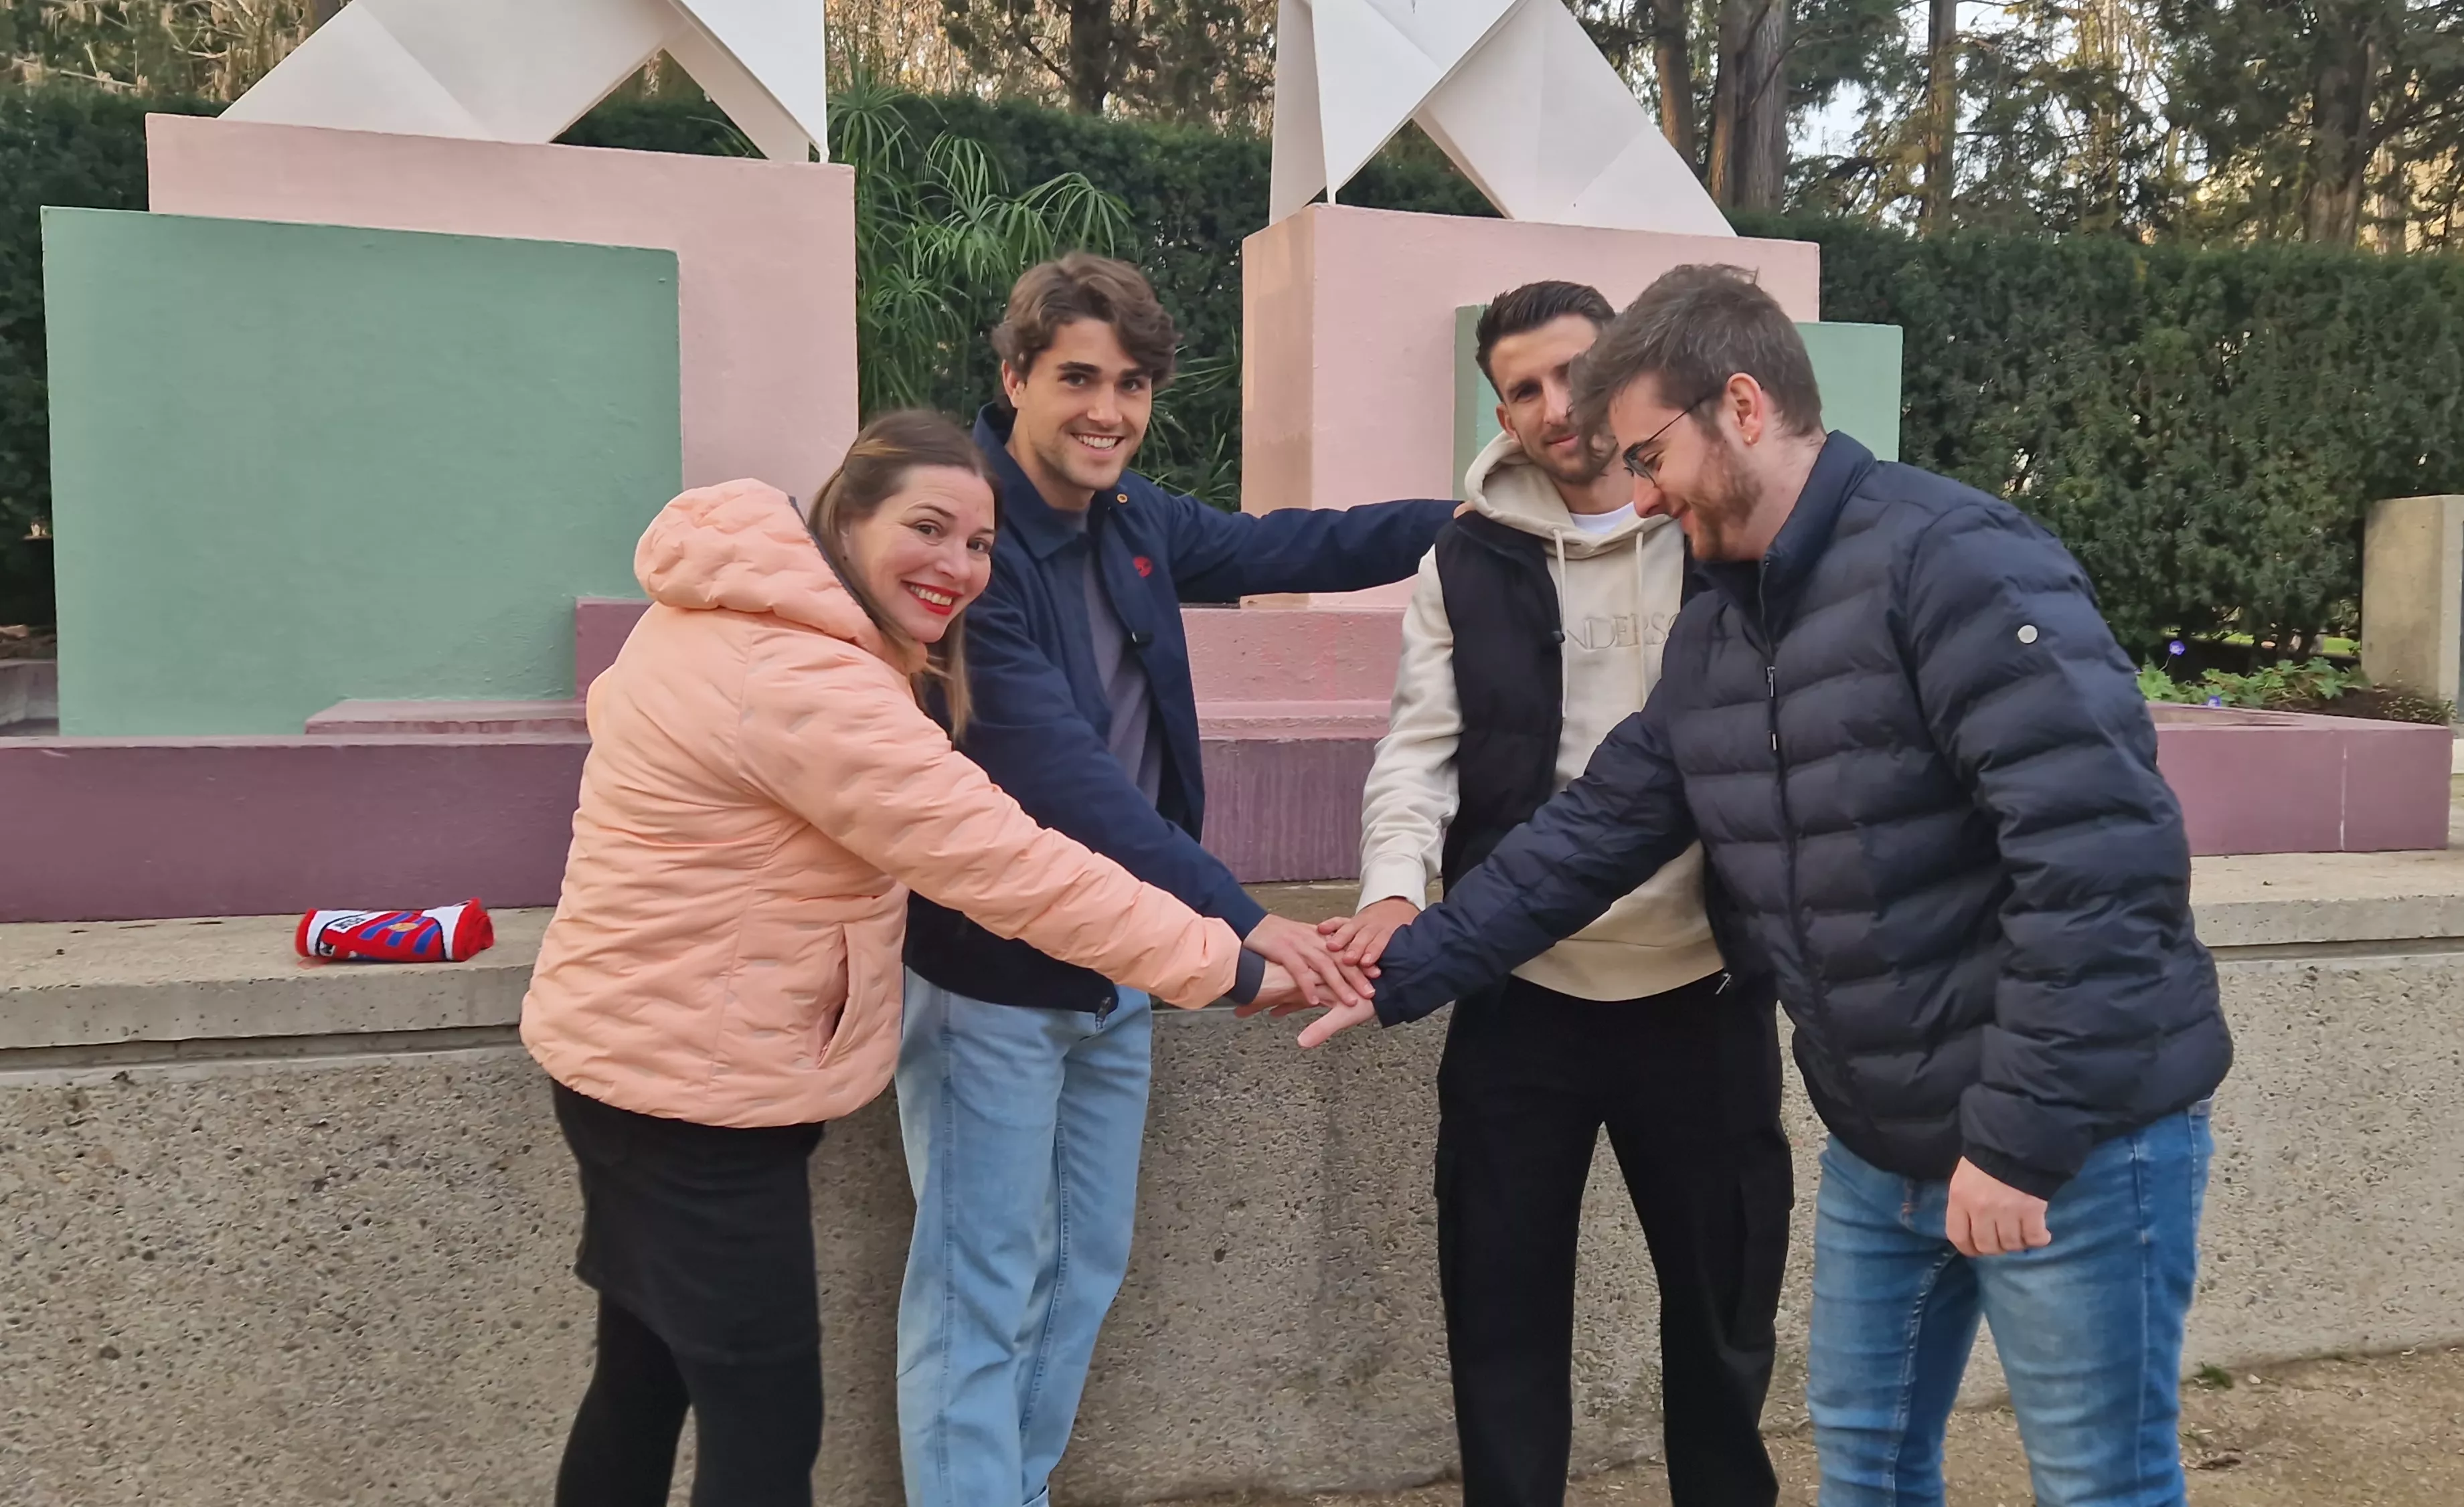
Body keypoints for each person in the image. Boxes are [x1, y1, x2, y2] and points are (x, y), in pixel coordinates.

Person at [1283, 265, 2235, 1507]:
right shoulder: (1727, 622)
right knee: (1867, 1469)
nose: (1637, 490)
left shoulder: (1955, 559)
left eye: (1649, 453)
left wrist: (2016, 1140)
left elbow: (2102, 867)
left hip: (2065, 1140)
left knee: (2098, 1483)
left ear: (1740, 405)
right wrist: (1403, 963)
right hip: (1881, 1144)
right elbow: (1598, 830)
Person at [519, 410, 1326, 1507]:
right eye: (929, 529)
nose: (958, 568)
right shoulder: (809, 682)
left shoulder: (731, 620)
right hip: (690, 1101)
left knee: (644, 1381)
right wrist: (1224, 959)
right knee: (765, 1432)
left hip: (640, 1061)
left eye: (981, 544)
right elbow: (1008, 863)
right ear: (846, 518)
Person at [894, 252, 1455, 1507]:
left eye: (1134, 384)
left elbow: (1287, 540)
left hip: (1127, 969)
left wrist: (1466, 520)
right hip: (993, 971)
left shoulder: (1135, 520)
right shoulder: (971, 542)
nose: (1108, 410)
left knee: (1083, 1264)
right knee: (981, 1279)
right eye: (1079, 378)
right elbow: (1065, 778)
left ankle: (1012, 1490)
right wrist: (1246, 920)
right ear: (1014, 378)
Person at [1323, 280, 1790, 1507]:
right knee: (1501, 1313)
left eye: (1573, 375)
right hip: (1519, 995)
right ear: (1502, 409)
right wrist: (1391, 892)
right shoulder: (1463, 557)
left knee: (1723, 1318)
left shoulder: (1716, 529)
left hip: (1704, 987)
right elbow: (1419, 750)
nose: (1554, 407)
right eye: (1522, 388)